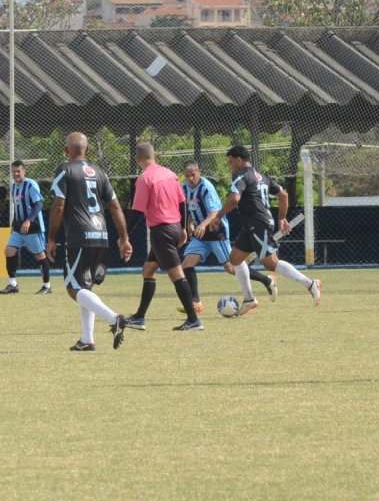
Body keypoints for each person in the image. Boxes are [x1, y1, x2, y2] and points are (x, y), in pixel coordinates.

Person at [195, 145, 321, 316]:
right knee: (235, 259)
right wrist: (281, 218)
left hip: (258, 224)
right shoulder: (261, 176)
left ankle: (310, 284)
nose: (230, 166)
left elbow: (234, 199)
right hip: (253, 224)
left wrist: (219, 215)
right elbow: (283, 195)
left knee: (271, 263)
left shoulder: (241, 175)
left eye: (231, 162)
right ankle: (249, 299)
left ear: (239, 160)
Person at [44, 132, 132, 351]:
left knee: (74, 289)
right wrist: (124, 238)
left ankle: (114, 319)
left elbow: (59, 205)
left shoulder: (65, 170)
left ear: (66, 150)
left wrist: (52, 238)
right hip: (101, 235)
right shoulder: (100, 172)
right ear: (88, 150)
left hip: (80, 236)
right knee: (86, 288)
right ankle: (87, 340)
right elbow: (115, 206)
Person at [169, 160, 276, 319]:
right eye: (187, 176)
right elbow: (188, 209)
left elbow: (215, 212)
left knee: (232, 268)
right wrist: (190, 223)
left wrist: (202, 225)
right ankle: (195, 302)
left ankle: (266, 279)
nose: (191, 178)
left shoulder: (206, 188)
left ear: (199, 171)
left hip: (216, 232)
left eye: (193, 175)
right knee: (186, 265)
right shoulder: (184, 188)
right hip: (200, 235)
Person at [125, 143, 203, 331]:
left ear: (138, 159)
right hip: (174, 228)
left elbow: (137, 211)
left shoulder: (144, 179)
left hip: (161, 232)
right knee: (148, 270)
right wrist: (184, 228)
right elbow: (182, 202)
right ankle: (139, 317)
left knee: (176, 274)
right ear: (156, 155)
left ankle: (193, 320)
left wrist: (123, 234)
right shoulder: (170, 174)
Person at [3, 160, 52, 294]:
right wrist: (14, 225)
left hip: (33, 226)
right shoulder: (13, 187)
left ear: (24, 171)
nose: (16, 174)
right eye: (14, 171)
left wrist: (28, 221)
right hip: (19, 227)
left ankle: (47, 286)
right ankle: (13, 284)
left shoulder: (31, 185)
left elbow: (38, 205)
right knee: (9, 251)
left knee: (39, 256)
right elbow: (17, 208)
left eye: (18, 171)